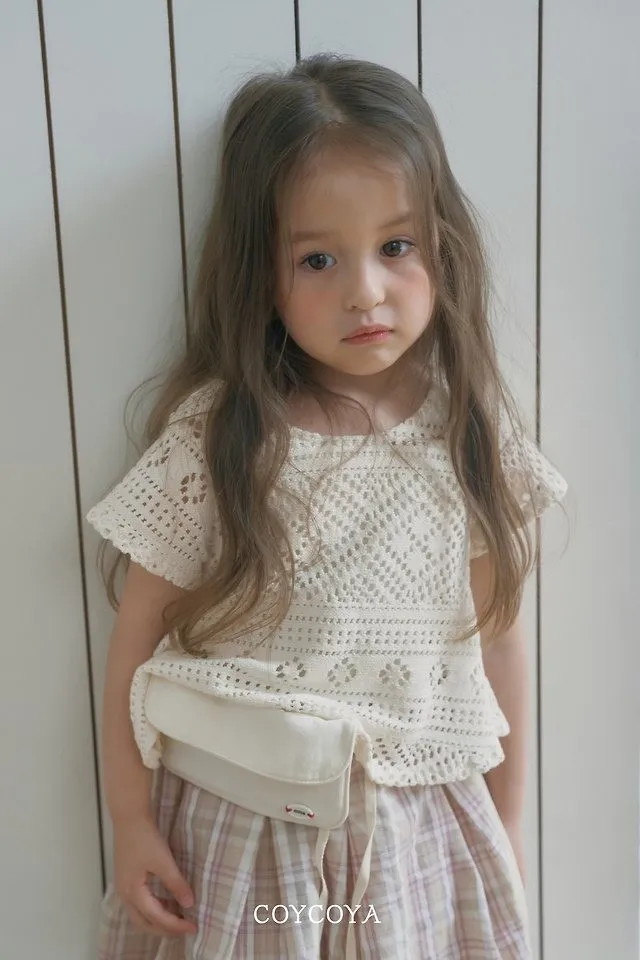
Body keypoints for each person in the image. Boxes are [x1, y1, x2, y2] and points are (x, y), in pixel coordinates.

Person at [89, 53, 567, 960]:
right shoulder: (222, 437)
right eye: (317, 259)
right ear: (260, 275)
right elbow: (136, 636)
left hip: (416, 832)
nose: (365, 292)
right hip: (241, 832)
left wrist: (506, 830)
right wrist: (130, 820)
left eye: (397, 247)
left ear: (441, 244)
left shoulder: (468, 433)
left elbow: (497, 645)